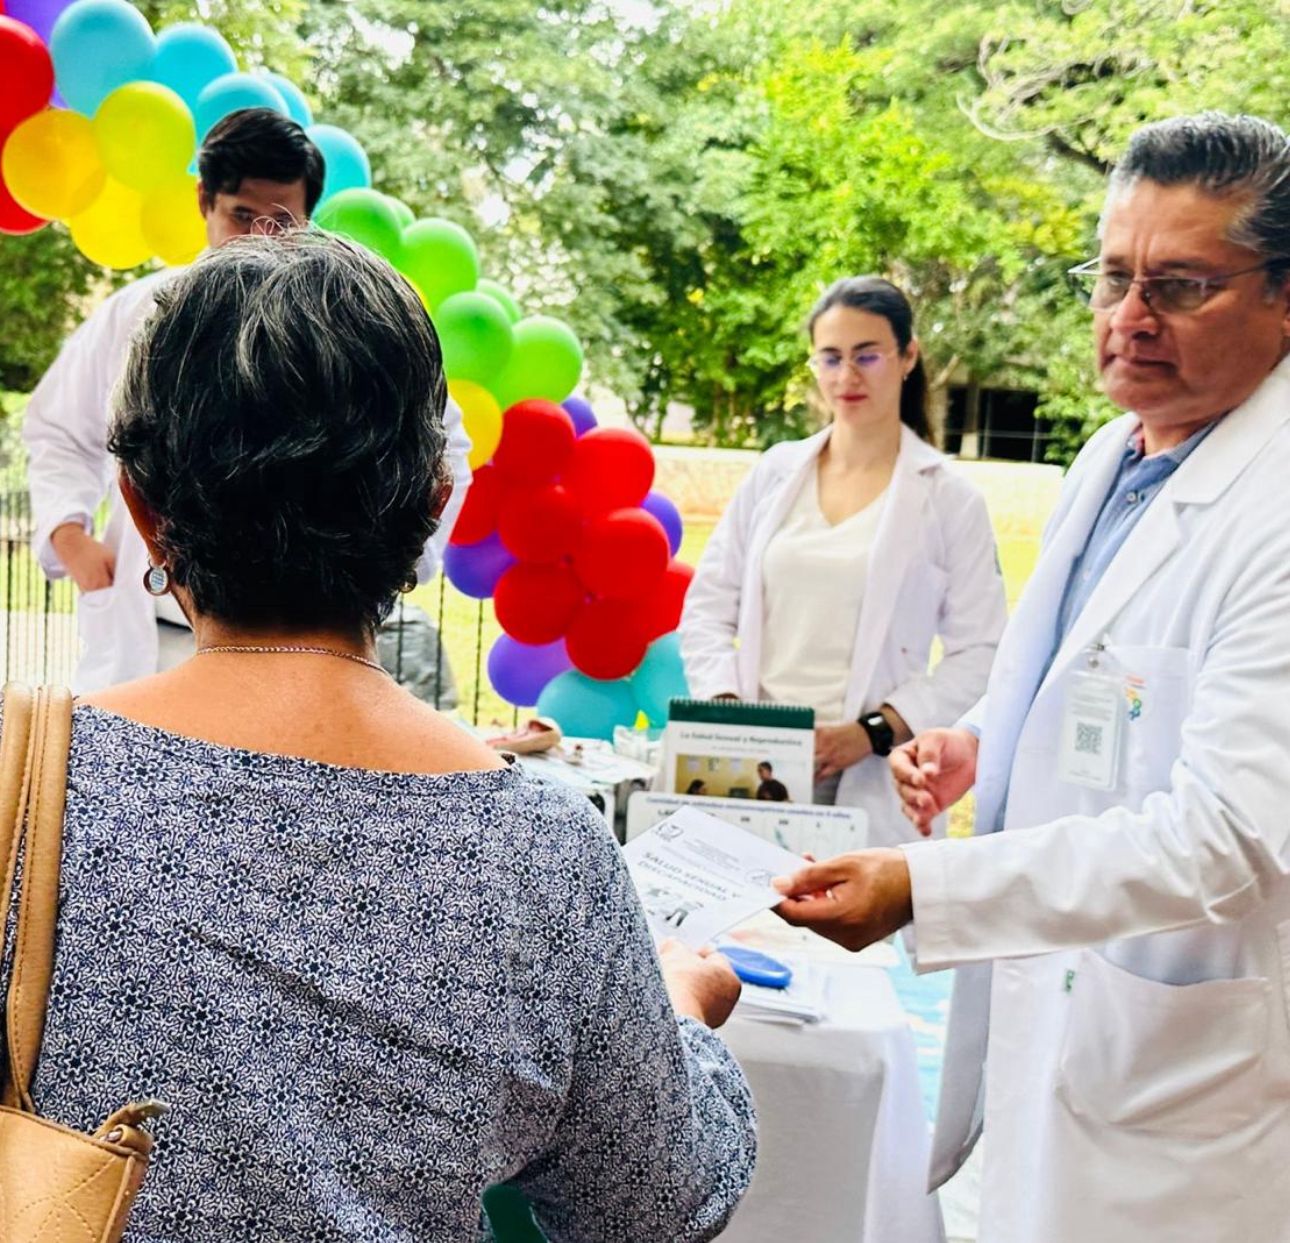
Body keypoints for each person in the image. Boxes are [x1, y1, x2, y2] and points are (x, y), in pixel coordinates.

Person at [14, 233, 755, 1239]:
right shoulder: (543, 858)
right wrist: (681, 1012)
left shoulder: (24, 792)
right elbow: (654, 1204)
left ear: (142, 512)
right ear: (433, 505)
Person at [774, 112, 1290, 1242]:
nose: (1129, 317)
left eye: (1181, 286)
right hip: (1064, 1016)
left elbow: (1229, 838)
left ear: (1283, 295)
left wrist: (926, 887)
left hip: (1183, 1085)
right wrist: (983, 745)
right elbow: (1086, 681)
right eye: (1111, 277)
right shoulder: (1115, 454)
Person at [21, 107, 472, 694]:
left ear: (308, 218)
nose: (261, 237)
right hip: (145, 640)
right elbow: (58, 430)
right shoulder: (137, 315)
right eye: (241, 216)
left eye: (282, 220)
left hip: (303, 641)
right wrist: (69, 534)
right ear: (203, 201)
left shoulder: (346, 325)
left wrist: (391, 567)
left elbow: (441, 447)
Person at [680, 278, 1007, 844]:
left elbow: (981, 653)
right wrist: (732, 715)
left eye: (867, 356)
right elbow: (707, 609)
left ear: (908, 356)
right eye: (830, 358)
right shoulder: (774, 475)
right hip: (758, 765)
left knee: (859, 902)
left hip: (874, 777)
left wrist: (873, 731)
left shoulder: (949, 498)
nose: (847, 376)